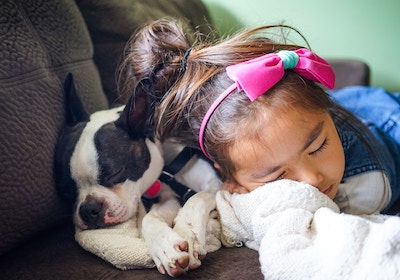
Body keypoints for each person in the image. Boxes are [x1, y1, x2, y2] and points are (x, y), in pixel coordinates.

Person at [119, 19, 400, 215]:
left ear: (326, 113)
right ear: (231, 179)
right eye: (277, 176)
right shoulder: (228, 148)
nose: (312, 179)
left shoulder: (366, 189)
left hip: (385, 115)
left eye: (319, 147)